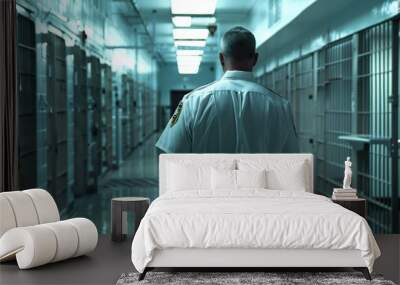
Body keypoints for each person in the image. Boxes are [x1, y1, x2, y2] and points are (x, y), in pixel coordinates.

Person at [156, 26, 299, 153]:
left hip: (206, 183)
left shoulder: (192, 101)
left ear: (221, 58)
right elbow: (291, 160)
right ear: (255, 58)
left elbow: (169, 152)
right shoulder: (280, 106)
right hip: (260, 184)